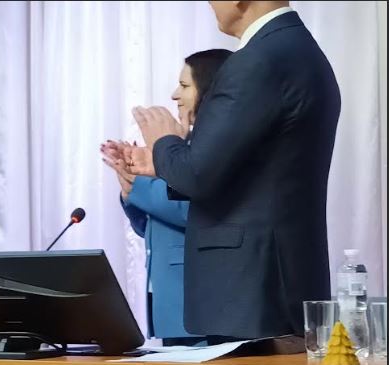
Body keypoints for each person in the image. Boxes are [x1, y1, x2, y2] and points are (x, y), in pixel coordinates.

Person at [126, 1, 340, 342]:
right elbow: (251, 168)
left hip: (250, 289)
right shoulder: (299, 51)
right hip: (277, 280)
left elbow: (197, 175)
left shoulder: (257, 59)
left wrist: (165, 141)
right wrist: (164, 163)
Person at [102, 49, 232, 346]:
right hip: (172, 306)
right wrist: (129, 188)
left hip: (200, 307)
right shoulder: (185, 147)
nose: (175, 95)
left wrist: (139, 187)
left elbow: (195, 213)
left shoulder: (215, 146)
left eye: (185, 85)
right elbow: (150, 229)